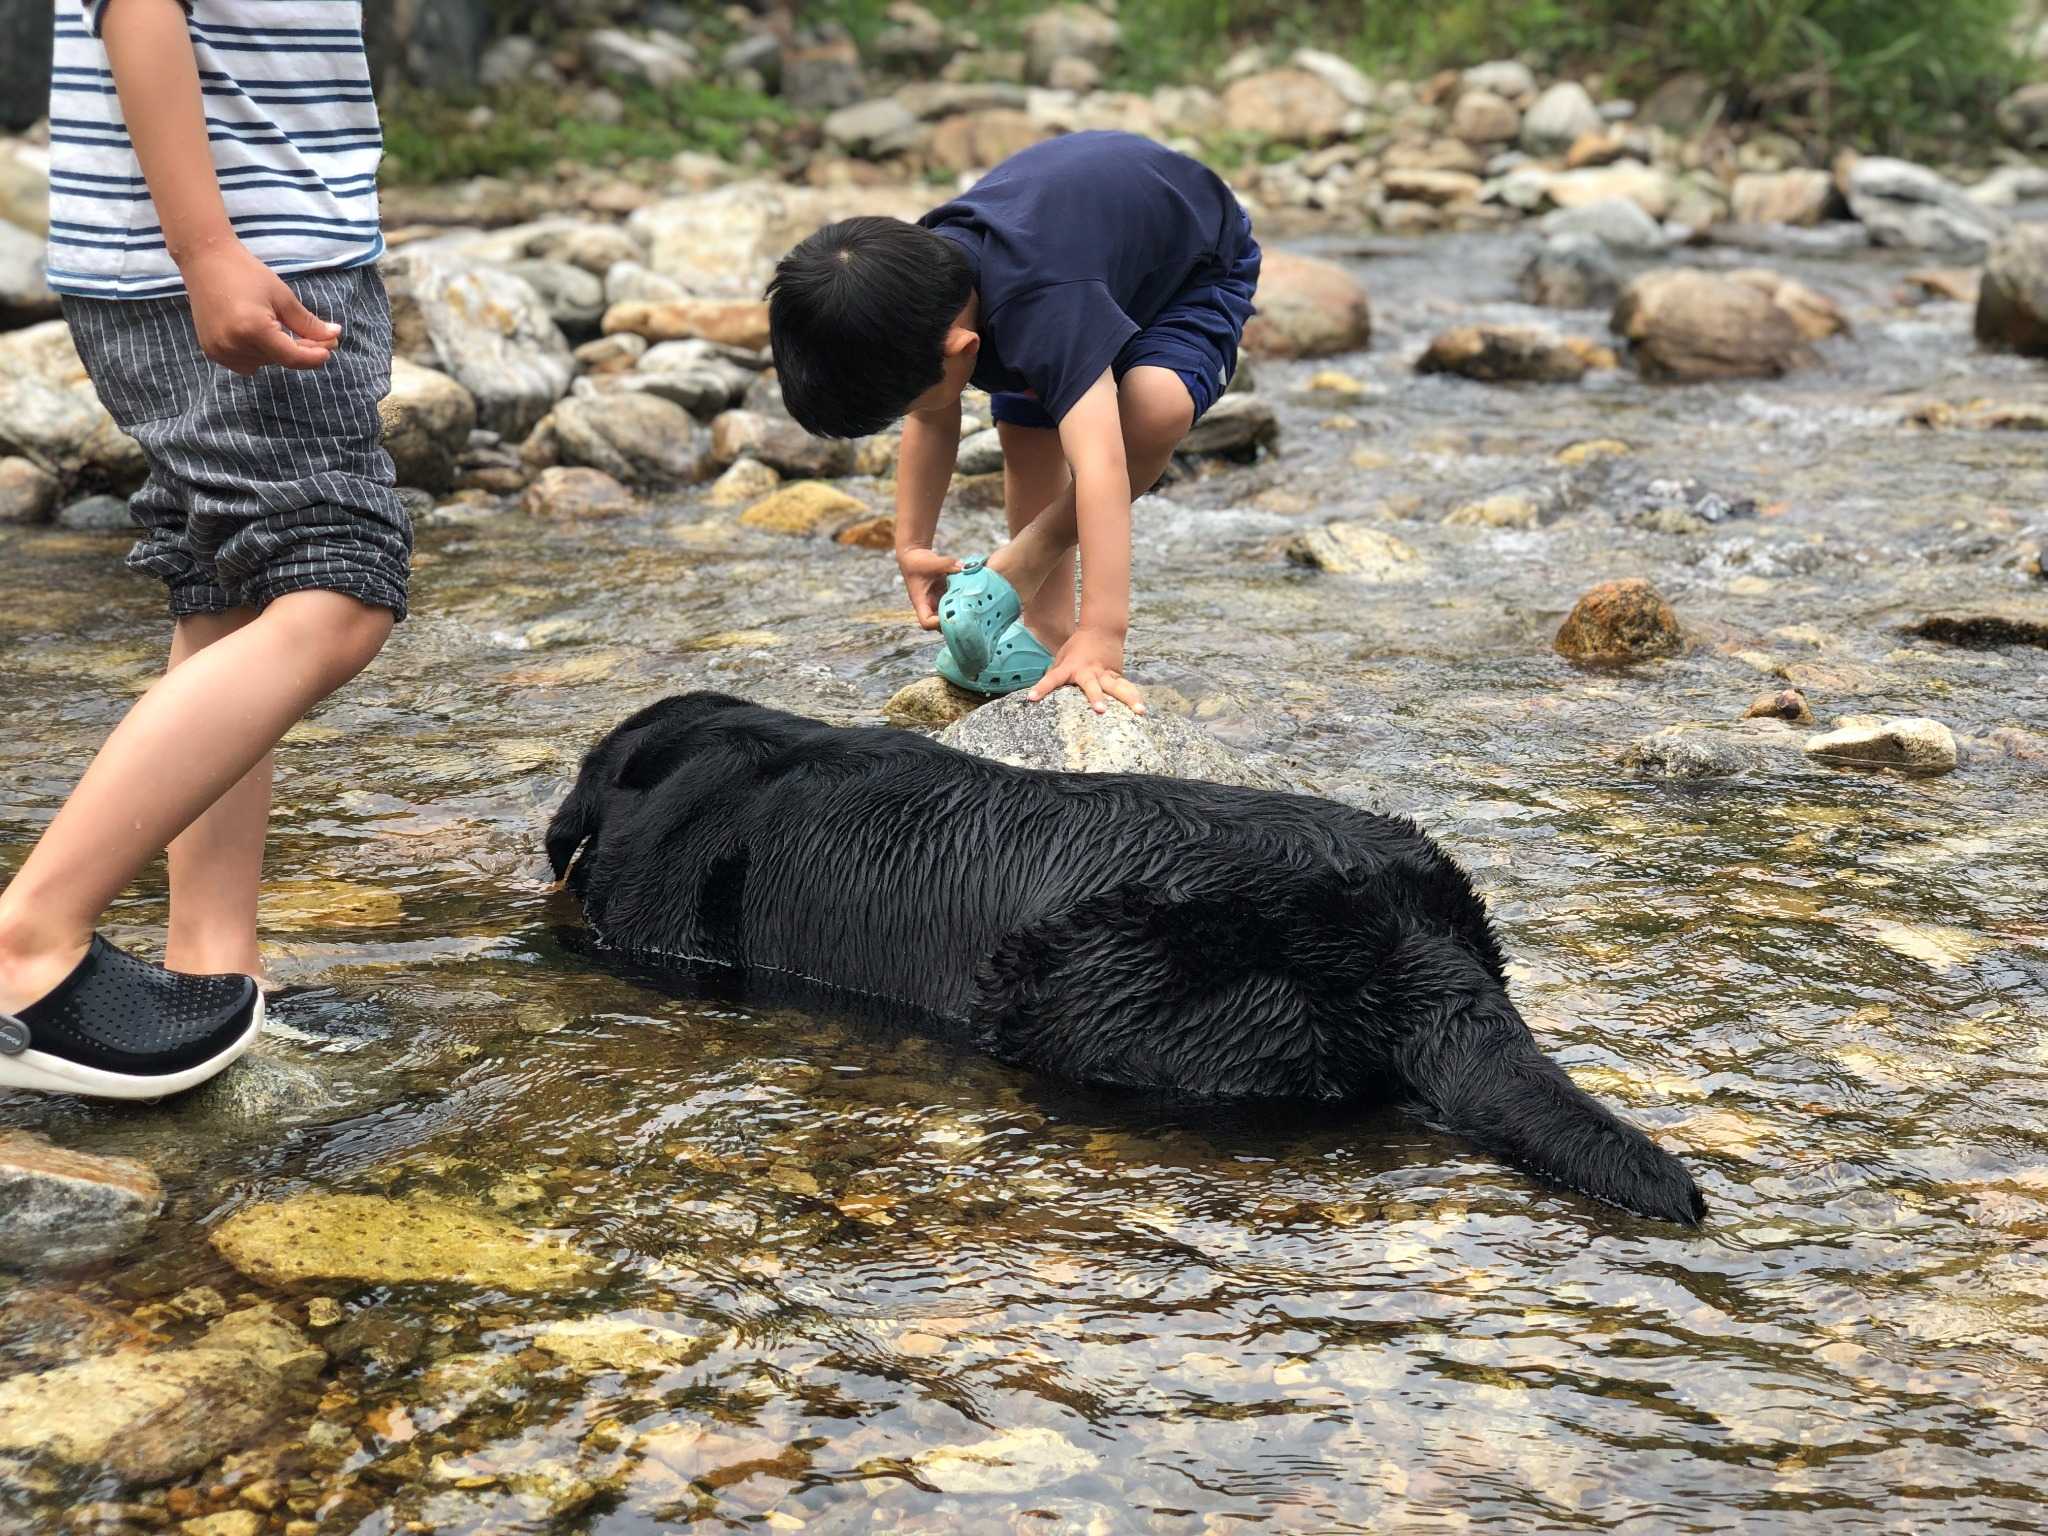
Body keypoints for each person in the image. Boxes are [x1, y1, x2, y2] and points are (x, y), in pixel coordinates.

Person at [0, 0, 407, 1099]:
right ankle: (26, 947)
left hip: (235, 245)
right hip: (230, 254)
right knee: (339, 588)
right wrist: (209, 249)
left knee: (230, 594)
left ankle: (213, 967)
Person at [767, 131, 1261, 714]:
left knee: (1153, 407)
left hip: (1189, 264)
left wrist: (1103, 634)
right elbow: (934, 416)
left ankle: (1047, 588)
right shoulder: (917, 286)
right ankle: (1047, 629)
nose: (912, 415)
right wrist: (912, 545)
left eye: (906, 404)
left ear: (960, 347)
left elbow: (1100, 463)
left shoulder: (1045, 307)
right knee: (1028, 435)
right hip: (1078, 255)